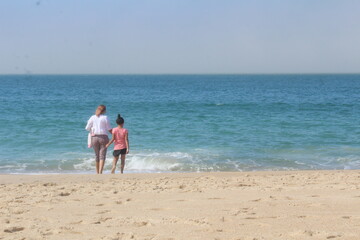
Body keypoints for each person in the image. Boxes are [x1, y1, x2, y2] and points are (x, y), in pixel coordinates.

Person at [85, 105, 112, 174]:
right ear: (104, 111)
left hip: (94, 137)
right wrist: (115, 134)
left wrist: (92, 128)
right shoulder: (105, 118)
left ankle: (97, 172)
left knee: (97, 155)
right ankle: (100, 172)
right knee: (102, 155)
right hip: (103, 137)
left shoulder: (92, 117)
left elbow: (87, 128)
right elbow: (109, 129)